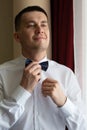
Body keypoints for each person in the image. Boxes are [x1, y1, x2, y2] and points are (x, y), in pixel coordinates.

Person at [0, 6, 86, 130]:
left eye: (44, 25)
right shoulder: (2, 73)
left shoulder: (66, 74)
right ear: (17, 37)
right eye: (31, 25)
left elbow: (83, 126)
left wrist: (64, 103)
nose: (40, 29)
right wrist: (22, 91)